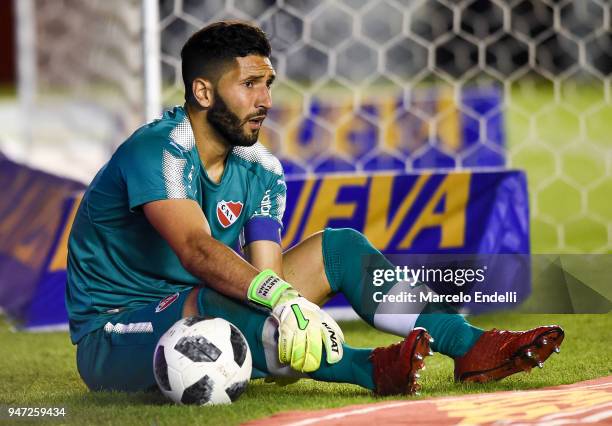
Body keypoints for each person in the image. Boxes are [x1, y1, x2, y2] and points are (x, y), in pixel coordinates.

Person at [66, 20, 564, 396]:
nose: (264, 99)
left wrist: (286, 321)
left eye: (268, 83)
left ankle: (469, 344)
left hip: (207, 309)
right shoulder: (157, 150)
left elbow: (267, 275)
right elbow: (198, 251)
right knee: (222, 299)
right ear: (202, 91)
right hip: (115, 331)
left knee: (341, 248)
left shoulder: (261, 169)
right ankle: (370, 368)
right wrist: (284, 307)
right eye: (249, 85)